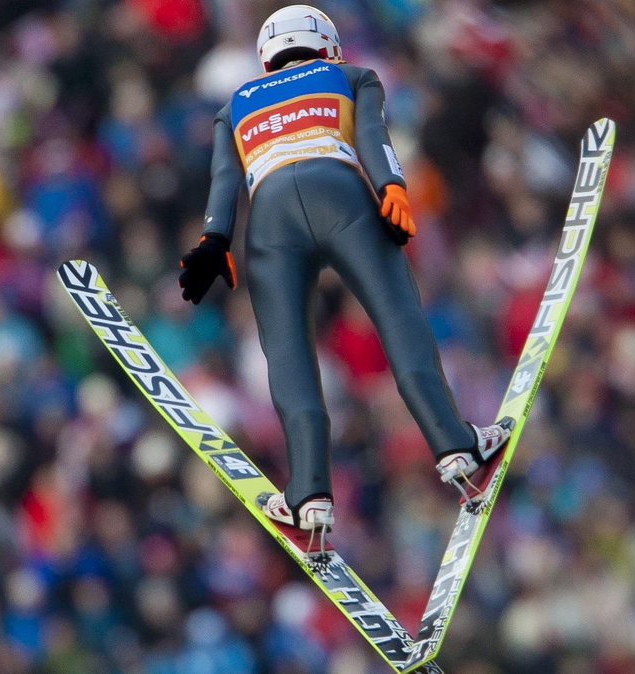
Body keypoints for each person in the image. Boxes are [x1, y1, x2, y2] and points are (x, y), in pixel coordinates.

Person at [178, 5, 513, 537]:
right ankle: (455, 447)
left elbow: (224, 182)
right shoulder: (352, 76)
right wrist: (393, 188)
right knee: (397, 316)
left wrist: (212, 241)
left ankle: (309, 495)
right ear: (326, 44)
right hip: (341, 195)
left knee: (288, 354)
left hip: (269, 219)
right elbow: (375, 139)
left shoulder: (234, 106)